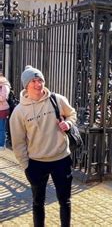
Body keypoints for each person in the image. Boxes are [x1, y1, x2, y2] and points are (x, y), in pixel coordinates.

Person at [10, 65, 77, 227]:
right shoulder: (19, 112)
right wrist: (26, 166)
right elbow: (18, 143)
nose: (38, 84)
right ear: (26, 85)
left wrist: (67, 124)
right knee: (38, 203)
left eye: (40, 80)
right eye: (33, 81)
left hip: (61, 159)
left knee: (65, 201)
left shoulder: (57, 99)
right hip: (36, 163)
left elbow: (72, 114)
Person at [0, 74, 11, 149]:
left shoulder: (4, 85)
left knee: (2, 128)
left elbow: (3, 98)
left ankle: (2, 144)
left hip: (3, 109)